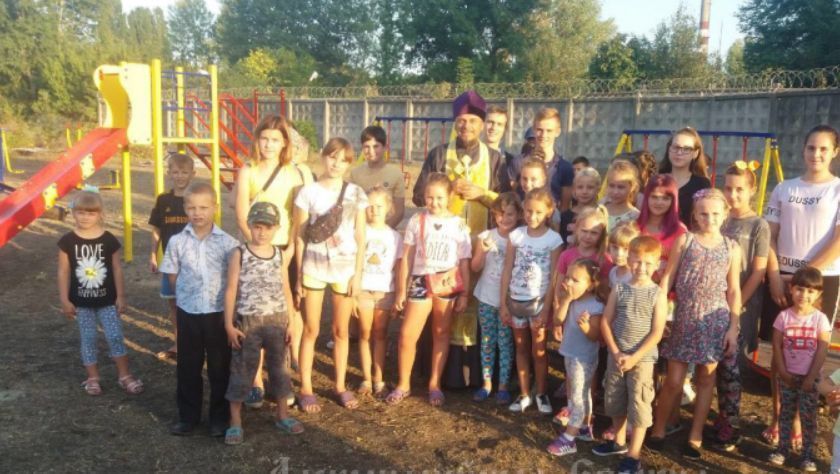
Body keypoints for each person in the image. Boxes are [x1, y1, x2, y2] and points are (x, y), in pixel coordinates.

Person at [648, 189, 742, 460]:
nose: (709, 219)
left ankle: (695, 434)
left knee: (706, 378)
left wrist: (733, 326)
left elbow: (733, 290)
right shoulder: (686, 240)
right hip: (684, 316)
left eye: (715, 214)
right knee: (674, 380)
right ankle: (659, 428)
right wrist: (660, 311)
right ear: (695, 215)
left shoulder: (731, 247)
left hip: (714, 319)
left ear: (725, 214)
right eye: (703, 213)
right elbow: (668, 278)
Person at [762, 125, 840, 448]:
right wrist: (773, 275)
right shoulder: (784, 188)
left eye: (823, 149)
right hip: (782, 276)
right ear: (803, 149)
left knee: (809, 352)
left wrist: (804, 277)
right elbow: (769, 235)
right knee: (779, 350)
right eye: (811, 147)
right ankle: (777, 416)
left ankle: (796, 418)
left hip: (821, 281)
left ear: (835, 152)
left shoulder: (837, 189)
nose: (816, 154)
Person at [233, 115, 312, 408]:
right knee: (256, 313)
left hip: (283, 248)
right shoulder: (248, 170)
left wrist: (289, 247)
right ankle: (255, 381)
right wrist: (257, 247)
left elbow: (298, 215)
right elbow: (241, 213)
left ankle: (282, 379)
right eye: (264, 138)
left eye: (275, 140)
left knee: (285, 312)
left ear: (284, 143)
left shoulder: (295, 173)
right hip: (255, 248)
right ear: (257, 140)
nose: (268, 144)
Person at [294, 138, 368, 413]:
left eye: (343, 160)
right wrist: (299, 275)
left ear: (350, 164)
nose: (336, 164)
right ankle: (306, 388)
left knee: (341, 331)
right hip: (313, 267)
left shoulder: (356, 193)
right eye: (332, 157)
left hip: (344, 269)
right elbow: (300, 236)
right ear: (323, 157)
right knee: (311, 329)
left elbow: (361, 236)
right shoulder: (308, 192)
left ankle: (339, 385)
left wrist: (357, 275)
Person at [160, 182, 239, 437]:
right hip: (189, 312)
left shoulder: (229, 244)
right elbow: (172, 275)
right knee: (188, 366)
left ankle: (219, 418)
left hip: (217, 314)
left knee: (219, 367)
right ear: (185, 208)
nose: (198, 213)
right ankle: (188, 417)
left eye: (204, 207)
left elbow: (234, 280)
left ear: (215, 207)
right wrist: (187, 296)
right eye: (192, 207)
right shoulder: (177, 241)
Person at [387, 173, 472, 406]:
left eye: (439, 197)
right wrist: (401, 290)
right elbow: (406, 257)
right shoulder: (417, 220)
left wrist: (465, 293)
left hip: (446, 283)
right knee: (407, 334)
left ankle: (435, 384)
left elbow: (464, 262)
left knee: (441, 333)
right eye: (429, 197)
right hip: (421, 281)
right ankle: (403, 384)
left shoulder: (458, 225)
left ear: (450, 196)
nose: (434, 202)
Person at [223, 202, 303, 445]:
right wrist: (228, 324)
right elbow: (231, 290)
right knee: (242, 370)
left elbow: (286, 289)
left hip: (277, 321)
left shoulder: (279, 255)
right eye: (257, 226)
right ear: (249, 225)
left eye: (268, 227)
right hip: (248, 322)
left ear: (276, 228)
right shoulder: (239, 254)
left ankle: (282, 415)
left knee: (280, 370)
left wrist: (291, 322)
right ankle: (235, 422)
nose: (262, 232)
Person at [591, 236, 667, 474]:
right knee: (615, 399)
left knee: (639, 404)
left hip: (641, 361)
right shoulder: (620, 288)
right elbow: (606, 321)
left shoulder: (657, 294)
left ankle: (633, 455)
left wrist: (634, 357)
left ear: (656, 265)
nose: (641, 267)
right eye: (637, 261)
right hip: (617, 357)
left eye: (647, 263)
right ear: (629, 259)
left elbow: (657, 332)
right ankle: (619, 441)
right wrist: (615, 352)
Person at [58, 191, 142, 396]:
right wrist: (64, 300)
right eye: (80, 212)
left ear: (100, 214)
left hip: (107, 301)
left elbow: (117, 268)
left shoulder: (108, 240)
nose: (85, 217)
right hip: (81, 303)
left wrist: (121, 296)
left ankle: (124, 375)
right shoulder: (67, 241)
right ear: (73, 213)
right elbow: (63, 271)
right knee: (88, 338)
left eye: (91, 213)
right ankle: (93, 377)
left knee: (115, 336)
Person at [712, 161, 770, 450]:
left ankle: (730, 421)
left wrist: (735, 304)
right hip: (713, 303)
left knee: (732, 364)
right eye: (728, 188)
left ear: (751, 190)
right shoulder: (719, 218)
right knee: (712, 363)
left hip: (741, 307)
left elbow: (758, 272)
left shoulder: (758, 225)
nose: (732, 195)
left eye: (739, 189)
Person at [412, 90, 512, 233]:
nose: (466, 126)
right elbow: (417, 197)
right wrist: (447, 188)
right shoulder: (438, 154)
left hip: (483, 239)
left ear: (482, 125)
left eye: (473, 121)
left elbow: (509, 203)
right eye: (461, 120)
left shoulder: (494, 158)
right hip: (443, 238)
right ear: (455, 124)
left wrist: (483, 194)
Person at [500, 188, 563, 414]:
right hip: (516, 300)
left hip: (538, 304)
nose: (532, 216)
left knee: (539, 350)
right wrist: (503, 302)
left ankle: (541, 393)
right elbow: (508, 269)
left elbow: (555, 276)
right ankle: (524, 393)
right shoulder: (516, 236)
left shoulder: (554, 240)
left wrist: (547, 308)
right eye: (528, 211)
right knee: (521, 348)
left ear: (549, 211)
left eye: (538, 212)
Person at [767, 267, 830, 471]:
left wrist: (811, 378)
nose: (804, 295)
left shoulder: (820, 319)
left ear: (818, 294)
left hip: (810, 379)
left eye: (810, 291)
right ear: (791, 289)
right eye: (800, 289)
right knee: (785, 413)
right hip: (788, 376)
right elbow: (776, 346)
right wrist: (783, 372)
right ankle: (782, 450)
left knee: (808, 417)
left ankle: (807, 455)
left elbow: (822, 350)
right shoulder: (783, 317)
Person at [547, 259, 604, 456]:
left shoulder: (595, 306)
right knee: (579, 392)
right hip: (570, 353)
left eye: (575, 280)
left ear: (590, 284)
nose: (569, 283)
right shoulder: (572, 299)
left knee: (578, 396)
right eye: (568, 278)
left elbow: (595, 336)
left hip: (583, 358)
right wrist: (565, 301)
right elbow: (557, 320)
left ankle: (569, 438)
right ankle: (584, 427)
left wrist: (586, 327)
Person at [471, 192, 520, 404]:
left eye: (510, 214)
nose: (505, 218)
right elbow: (475, 267)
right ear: (494, 214)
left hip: (508, 302)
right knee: (487, 341)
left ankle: (503, 385)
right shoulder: (486, 236)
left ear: (518, 215)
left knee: (505, 342)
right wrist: (482, 251)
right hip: (486, 297)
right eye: (500, 213)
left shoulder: (520, 239)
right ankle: (487, 383)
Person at [356, 186, 403, 399]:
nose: (374, 210)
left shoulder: (395, 237)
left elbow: (399, 268)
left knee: (380, 333)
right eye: (370, 206)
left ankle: (379, 378)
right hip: (363, 289)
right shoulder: (360, 232)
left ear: (389, 208)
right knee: (365, 333)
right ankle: (366, 378)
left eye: (379, 206)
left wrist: (399, 295)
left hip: (385, 291)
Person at [149, 152, 194, 358]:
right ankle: (179, 343)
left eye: (184, 172)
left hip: (192, 262)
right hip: (170, 262)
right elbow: (156, 229)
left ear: (192, 174)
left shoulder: (196, 200)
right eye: (175, 172)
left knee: (193, 304)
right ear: (169, 173)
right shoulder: (163, 200)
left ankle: (196, 342)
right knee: (174, 304)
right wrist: (153, 254)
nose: (180, 176)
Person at [509, 108, 574, 211]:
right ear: (534, 130)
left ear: (558, 132)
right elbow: (510, 199)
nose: (544, 135)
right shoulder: (518, 162)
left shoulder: (565, 168)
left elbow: (564, 208)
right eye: (539, 130)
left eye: (549, 131)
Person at [350, 125, 406, 228]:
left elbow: (399, 212)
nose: (371, 151)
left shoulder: (395, 174)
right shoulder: (355, 173)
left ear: (385, 147)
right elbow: (351, 207)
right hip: (362, 230)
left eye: (376, 146)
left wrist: (382, 231)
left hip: (386, 230)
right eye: (367, 147)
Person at [636, 174, 687, 279]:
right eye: (654, 197)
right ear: (646, 198)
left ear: (673, 201)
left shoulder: (680, 231)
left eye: (665, 198)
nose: (659, 203)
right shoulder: (634, 227)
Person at [659, 127, 711, 228]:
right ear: (669, 149)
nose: (679, 153)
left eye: (686, 149)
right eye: (676, 147)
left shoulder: (702, 184)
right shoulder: (658, 180)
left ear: (695, 153)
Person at [555, 207, 612, 280]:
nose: (588, 236)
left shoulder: (604, 259)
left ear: (601, 235)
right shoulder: (565, 256)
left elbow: (605, 286)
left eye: (594, 233)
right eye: (584, 231)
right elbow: (559, 284)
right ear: (576, 229)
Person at [559, 167, 601, 244]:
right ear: (574, 189)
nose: (584, 191)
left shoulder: (602, 213)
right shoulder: (565, 217)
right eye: (580, 187)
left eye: (590, 187)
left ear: (598, 189)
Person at [483, 104, 517, 188]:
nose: (494, 128)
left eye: (499, 124)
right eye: (490, 122)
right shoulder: (471, 154)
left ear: (505, 129)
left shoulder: (510, 161)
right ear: (482, 124)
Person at [604, 160, 640, 231]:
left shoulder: (635, 216)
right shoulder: (600, 210)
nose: (615, 192)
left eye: (621, 187)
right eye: (611, 186)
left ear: (632, 187)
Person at [607, 222, 641, 288]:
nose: (619, 254)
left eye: (626, 249)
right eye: (615, 247)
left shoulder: (636, 276)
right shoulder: (613, 272)